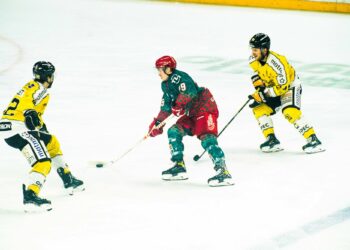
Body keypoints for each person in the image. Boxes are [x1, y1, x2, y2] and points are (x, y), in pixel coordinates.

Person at [0, 61, 84, 212]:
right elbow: (27, 100)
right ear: (49, 76)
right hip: (17, 129)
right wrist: (28, 112)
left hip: (14, 127)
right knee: (43, 163)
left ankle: (67, 178)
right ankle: (31, 195)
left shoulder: (35, 87)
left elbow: (34, 113)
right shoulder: (38, 88)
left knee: (51, 142)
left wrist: (39, 125)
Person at [148, 55, 233, 187]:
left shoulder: (180, 78)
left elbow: (189, 91)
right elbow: (166, 107)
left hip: (205, 108)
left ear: (169, 69)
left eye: (160, 69)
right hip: (191, 113)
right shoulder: (166, 85)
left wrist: (178, 105)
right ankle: (179, 165)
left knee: (207, 139)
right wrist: (158, 123)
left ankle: (223, 172)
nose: (158, 73)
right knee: (174, 131)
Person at [247, 33, 325, 154]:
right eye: (252, 49)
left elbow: (282, 88)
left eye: (255, 49)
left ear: (264, 49)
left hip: (290, 87)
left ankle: (313, 140)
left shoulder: (277, 63)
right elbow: (256, 74)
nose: (253, 52)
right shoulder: (253, 59)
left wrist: (263, 95)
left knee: (289, 111)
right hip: (274, 87)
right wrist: (259, 88)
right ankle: (271, 140)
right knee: (259, 109)